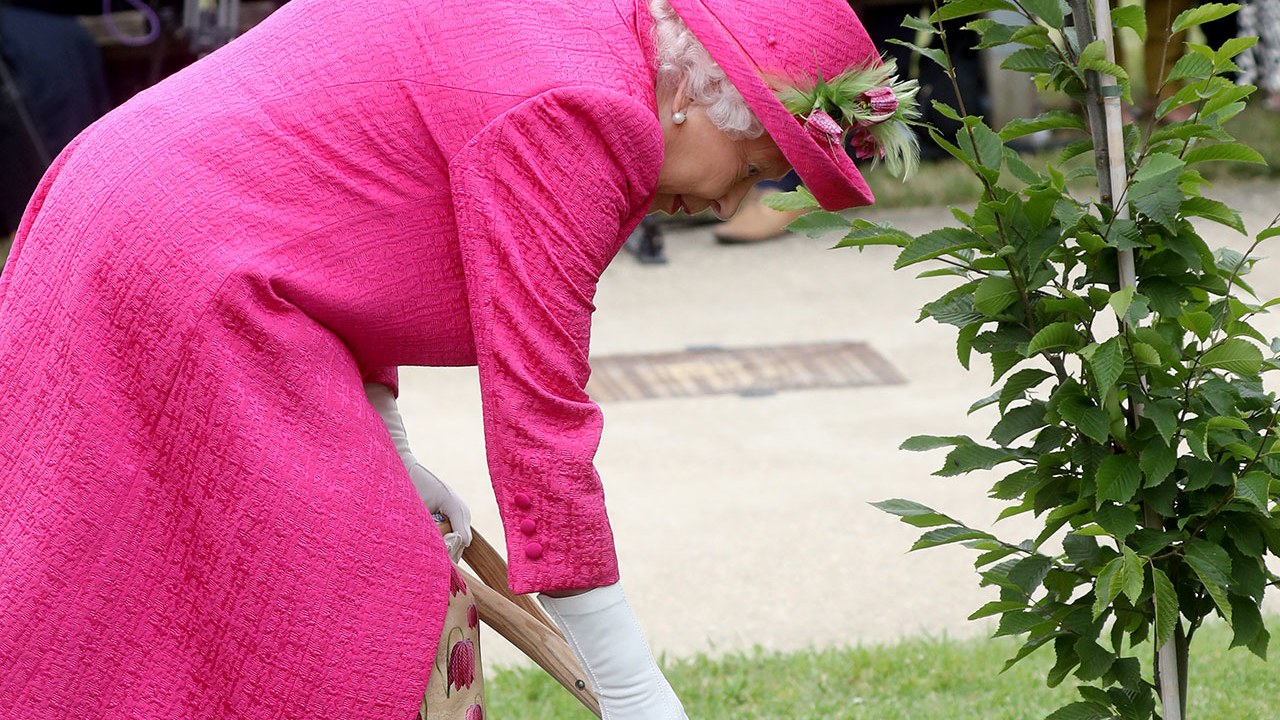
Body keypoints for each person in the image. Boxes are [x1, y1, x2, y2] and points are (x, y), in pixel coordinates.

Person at [0, 0, 917, 718]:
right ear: (694, 95)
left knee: (290, 604)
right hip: (176, 281)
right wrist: (632, 688)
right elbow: (541, 428)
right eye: (755, 168)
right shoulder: (585, 107)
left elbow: (342, 213)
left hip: (170, 251)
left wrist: (388, 440)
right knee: (353, 620)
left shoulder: (589, 44)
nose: (730, 205)